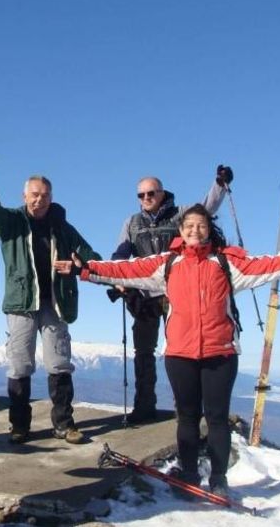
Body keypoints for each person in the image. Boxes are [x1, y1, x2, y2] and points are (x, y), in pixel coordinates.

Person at [56, 204, 280, 497]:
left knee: (216, 418)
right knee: (187, 417)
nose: (194, 230)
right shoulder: (167, 263)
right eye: (189, 226)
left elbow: (266, 266)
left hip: (220, 354)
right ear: (181, 230)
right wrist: (84, 269)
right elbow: (125, 269)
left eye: (200, 225)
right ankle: (189, 476)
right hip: (180, 355)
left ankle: (218, 479)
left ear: (209, 228)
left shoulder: (227, 263)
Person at [0, 150, 101, 445]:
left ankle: (64, 425)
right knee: (19, 365)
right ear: (24, 196)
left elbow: (90, 256)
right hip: (21, 303)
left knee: (59, 363)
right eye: (34, 194)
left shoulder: (64, 229)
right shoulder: (12, 224)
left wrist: (76, 267)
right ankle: (19, 426)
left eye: (44, 195)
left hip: (56, 302)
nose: (39, 200)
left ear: (51, 196)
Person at [111, 166, 233, 424]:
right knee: (143, 351)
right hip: (144, 295)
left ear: (162, 192)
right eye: (141, 195)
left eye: (151, 193)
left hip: (177, 293)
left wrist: (219, 184)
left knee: (182, 352)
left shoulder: (181, 215)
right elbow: (120, 255)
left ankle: (186, 412)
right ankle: (144, 407)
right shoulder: (131, 223)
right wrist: (116, 279)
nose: (146, 198)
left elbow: (206, 210)